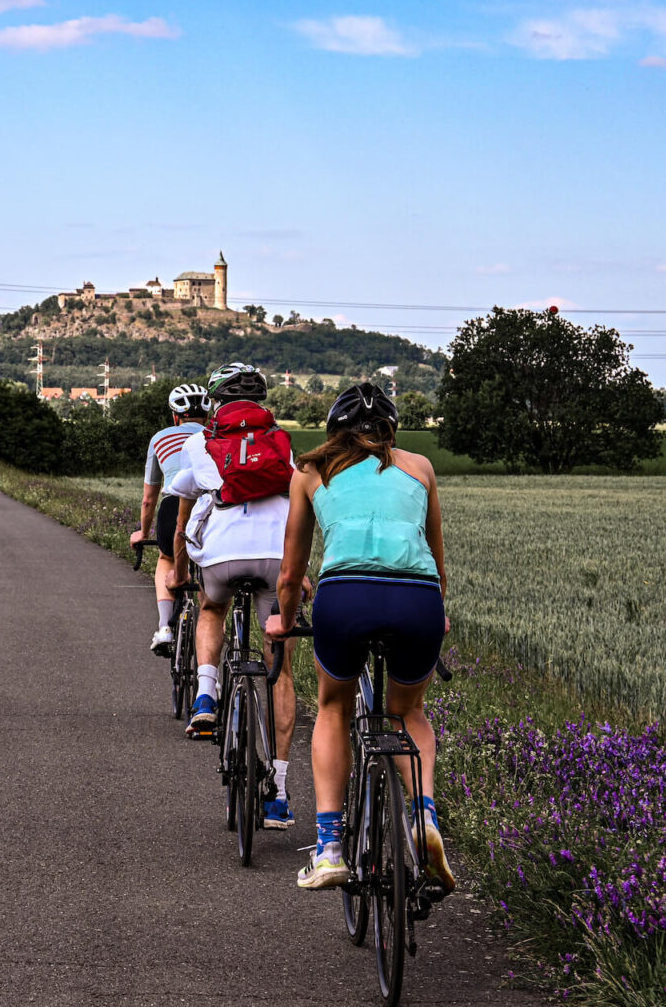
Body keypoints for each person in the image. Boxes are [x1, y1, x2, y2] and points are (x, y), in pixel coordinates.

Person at [264, 383, 453, 894]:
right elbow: (436, 560)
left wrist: (283, 619)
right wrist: (438, 613)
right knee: (409, 712)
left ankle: (328, 850)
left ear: (333, 430)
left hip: (345, 596)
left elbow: (291, 570)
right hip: (417, 600)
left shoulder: (311, 472)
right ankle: (424, 817)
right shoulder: (420, 468)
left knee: (332, 708)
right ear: (390, 430)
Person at [168, 361, 305, 830]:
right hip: (276, 557)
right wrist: (300, 572)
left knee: (211, 607)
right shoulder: (282, 443)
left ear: (215, 402)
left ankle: (206, 694)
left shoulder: (199, 440)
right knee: (279, 667)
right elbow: (301, 496)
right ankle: (281, 793)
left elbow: (179, 490)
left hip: (224, 554)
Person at [129, 384, 210, 655]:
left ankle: (164, 627)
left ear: (176, 416)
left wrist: (143, 530)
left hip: (173, 505)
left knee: (166, 559)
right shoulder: (215, 435)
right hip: (210, 508)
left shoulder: (159, 438)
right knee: (209, 571)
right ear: (208, 416)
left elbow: (149, 498)